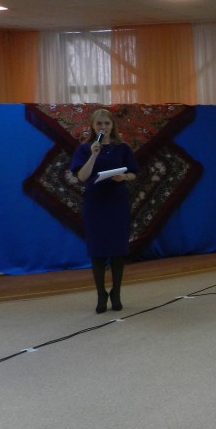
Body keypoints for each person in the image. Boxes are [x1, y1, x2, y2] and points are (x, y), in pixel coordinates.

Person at [70, 108, 139, 314]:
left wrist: (124, 177)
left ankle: (116, 292)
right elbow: (82, 177)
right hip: (95, 202)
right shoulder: (85, 149)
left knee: (118, 248)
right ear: (93, 126)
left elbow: (133, 173)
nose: (103, 127)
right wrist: (93, 155)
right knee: (98, 249)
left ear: (112, 125)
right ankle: (101, 294)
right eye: (99, 123)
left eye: (107, 123)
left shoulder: (123, 148)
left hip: (117, 201)